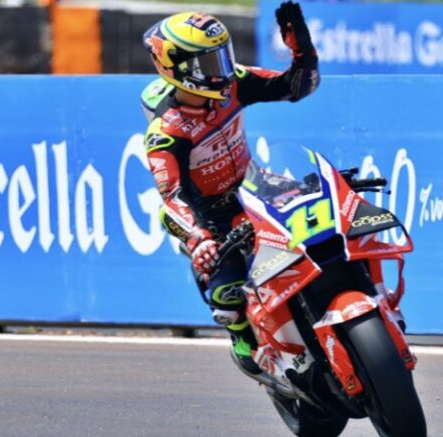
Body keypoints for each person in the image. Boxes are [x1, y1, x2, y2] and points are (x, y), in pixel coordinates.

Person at [140, 2, 319, 372]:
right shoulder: (166, 133)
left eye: (222, 56)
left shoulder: (234, 83)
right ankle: (242, 337)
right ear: (178, 69)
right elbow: (171, 197)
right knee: (226, 292)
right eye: (208, 63)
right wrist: (198, 238)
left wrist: (302, 50)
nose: (221, 70)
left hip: (255, 187)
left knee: (322, 225)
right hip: (212, 215)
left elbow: (298, 87)